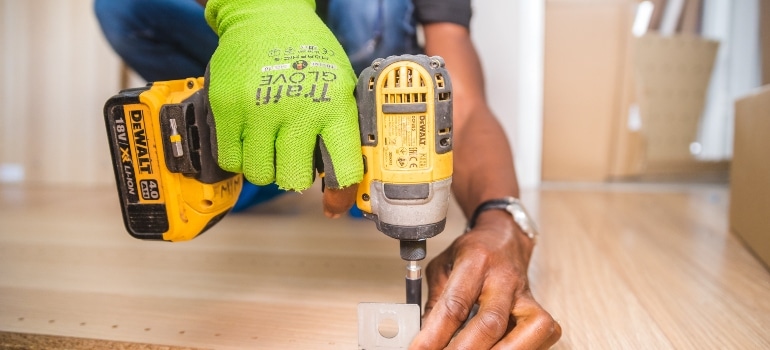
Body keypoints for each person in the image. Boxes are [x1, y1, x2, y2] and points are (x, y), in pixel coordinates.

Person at [94, 0, 561, 348]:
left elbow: (463, 99)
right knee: (125, 5)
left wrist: (501, 219)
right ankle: (254, 143)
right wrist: (255, 11)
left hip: (366, 73)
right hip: (250, 51)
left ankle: (345, 147)